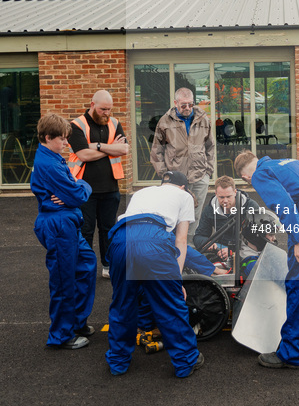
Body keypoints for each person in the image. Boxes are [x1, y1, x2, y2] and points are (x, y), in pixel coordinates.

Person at [233, 150, 299, 370]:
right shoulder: (288, 163)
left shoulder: (260, 174)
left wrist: (298, 238)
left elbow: (283, 204)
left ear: (245, 177)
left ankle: (291, 352)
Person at [104, 170, 205, 378]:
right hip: (154, 239)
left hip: (120, 239)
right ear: (184, 187)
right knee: (170, 305)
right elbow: (181, 241)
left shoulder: (142, 192)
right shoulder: (185, 196)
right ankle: (186, 362)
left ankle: (118, 362)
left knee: (123, 303)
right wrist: (176, 282)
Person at [29, 113, 95, 350]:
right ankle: (61, 335)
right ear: (48, 137)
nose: (67, 144)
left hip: (66, 222)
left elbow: (72, 194)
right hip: (58, 226)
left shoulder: (51, 156)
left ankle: (76, 322)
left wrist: (74, 188)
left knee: (87, 264)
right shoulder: (49, 164)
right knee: (63, 279)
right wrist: (82, 185)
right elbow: (77, 196)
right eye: (63, 139)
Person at [68, 90, 129, 280]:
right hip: (83, 188)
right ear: (92, 105)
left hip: (110, 188)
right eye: (103, 109)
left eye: (109, 109)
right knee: (85, 230)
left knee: (108, 229)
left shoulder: (114, 123)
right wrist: (111, 149)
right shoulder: (76, 125)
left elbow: (125, 149)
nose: (107, 113)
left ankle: (108, 265)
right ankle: (85, 268)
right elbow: (84, 155)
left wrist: (98, 146)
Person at [150, 87, 215, 237]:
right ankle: (173, 246)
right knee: (174, 214)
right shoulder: (165, 121)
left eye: (190, 104)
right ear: (175, 103)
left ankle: (189, 248)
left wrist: (208, 171)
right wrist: (165, 175)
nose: (187, 108)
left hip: (199, 176)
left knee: (195, 216)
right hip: (176, 179)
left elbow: (210, 146)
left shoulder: (203, 119)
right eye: (183, 105)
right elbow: (156, 150)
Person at [193, 175, 280, 278]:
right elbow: (198, 237)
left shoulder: (250, 206)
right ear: (215, 194)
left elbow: (258, 238)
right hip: (220, 252)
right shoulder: (210, 210)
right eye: (221, 197)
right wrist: (214, 246)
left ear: (235, 192)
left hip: (245, 252)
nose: (225, 201)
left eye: (228, 196)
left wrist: (233, 251)